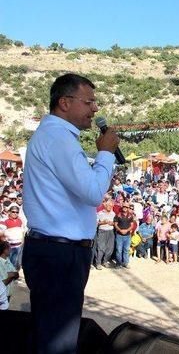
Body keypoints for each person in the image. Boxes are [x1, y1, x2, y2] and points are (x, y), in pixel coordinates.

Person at [22, 73, 119, 354]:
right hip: (60, 255)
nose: (95, 109)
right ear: (64, 103)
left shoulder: (53, 136)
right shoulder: (58, 139)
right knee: (59, 342)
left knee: (49, 334)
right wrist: (106, 155)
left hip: (52, 251)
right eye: (89, 101)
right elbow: (92, 192)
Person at [94, 198, 115, 269]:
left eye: (111, 206)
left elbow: (115, 223)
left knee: (110, 248)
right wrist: (103, 222)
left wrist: (112, 224)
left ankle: (105, 261)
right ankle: (98, 263)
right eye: (108, 205)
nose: (110, 207)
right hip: (102, 231)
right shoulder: (100, 213)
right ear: (105, 205)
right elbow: (96, 223)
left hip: (110, 231)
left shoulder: (113, 214)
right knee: (101, 248)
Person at [114, 204, 134, 268]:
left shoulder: (130, 216)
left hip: (127, 236)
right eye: (124, 207)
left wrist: (126, 230)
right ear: (122, 207)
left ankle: (126, 263)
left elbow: (132, 225)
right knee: (119, 250)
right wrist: (120, 230)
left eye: (126, 207)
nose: (125, 208)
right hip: (119, 235)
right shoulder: (118, 215)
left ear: (128, 208)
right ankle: (118, 263)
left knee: (126, 250)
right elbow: (115, 224)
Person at [0, 240, 19, 306]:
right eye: (9, 248)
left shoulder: (7, 259)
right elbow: (3, 283)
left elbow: (17, 274)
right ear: (4, 250)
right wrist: (12, 275)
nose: (10, 250)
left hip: (8, 294)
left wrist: (12, 275)